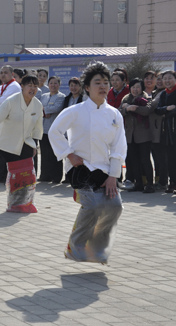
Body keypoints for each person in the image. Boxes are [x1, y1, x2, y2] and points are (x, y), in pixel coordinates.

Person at [49, 62, 126, 264]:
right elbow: (54, 131)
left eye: (105, 82)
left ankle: (96, 249)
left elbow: (119, 146)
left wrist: (113, 176)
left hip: (104, 168)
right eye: (97, 82)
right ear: (87, 87)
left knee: (114, 206)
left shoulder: (114, 114)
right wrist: (69, 154)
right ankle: (75, 247)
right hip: (79, 168)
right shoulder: (76, 110)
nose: (102, 86)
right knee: (92, 205)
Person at [0, 75, 43, 212]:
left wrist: (35, 144)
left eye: (35, 86)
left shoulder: (38, 105)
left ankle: (26, 202)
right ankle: (14, 203)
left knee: (28, 174)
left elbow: (38, 128)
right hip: (8, 143)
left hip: (27, 143)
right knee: (16, 173)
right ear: (22, 86)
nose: (33, 89)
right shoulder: (11, 101)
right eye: (30, 85)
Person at [119, 78, 156, 193]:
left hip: (144, 134)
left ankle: (150, 184)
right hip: (130, 135)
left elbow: (147, 110)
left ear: (142, 88)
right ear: (130, 88)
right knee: (134, 160)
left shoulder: (147, 98)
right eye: (133, 87)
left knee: (145, 159)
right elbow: (119, 112)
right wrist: (127, 109)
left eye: (138, 87)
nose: (135, 89)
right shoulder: (125, 99)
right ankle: (138, 183)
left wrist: (133, 108)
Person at [0, 65, 22, 182]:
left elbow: (3, 103)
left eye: (5, 72)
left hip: (8, 123)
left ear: (12, 74)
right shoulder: (2, 87)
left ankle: (3, 175)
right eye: (1, 72)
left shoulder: (14, 86)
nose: (2, 75)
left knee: (3, 150)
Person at [157, 71, 176, 194]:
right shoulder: (163, 94)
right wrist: (167, 109)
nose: (167, 80)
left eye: (170, 78)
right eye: (165, 78)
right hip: (167, 130)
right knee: (170, 158)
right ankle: (173, 182)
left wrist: (165, 112)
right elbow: (157, 110)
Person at [39, 76, 66, 183]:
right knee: (45, 154)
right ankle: (45, 176)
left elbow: (56, 108)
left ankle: (56, 177)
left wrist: (44, 111)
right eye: (51, 83)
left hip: (55, 130)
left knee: (55, 154)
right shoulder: (44, 96)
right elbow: (39, 108)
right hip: (43, 129)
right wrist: (46, 112)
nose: (53, 85)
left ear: (59, 85)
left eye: (56, 83)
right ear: (48, 84)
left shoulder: (61, 97)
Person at [145, 71, 167, 190]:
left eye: (161, 79)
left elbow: (152, 107)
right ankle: (160, 180)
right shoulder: (155, 93)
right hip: (154, 129)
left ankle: (163, 182)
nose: (158, 81)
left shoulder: (163, 93)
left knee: (161, 157)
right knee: (157, 157)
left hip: (161, 129)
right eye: (157, 79)